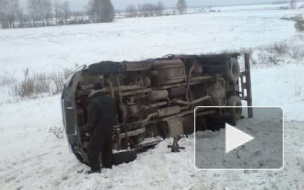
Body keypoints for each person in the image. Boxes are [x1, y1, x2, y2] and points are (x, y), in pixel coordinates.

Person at [84, 83, 117, 174]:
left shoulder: (94, 102)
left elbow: (92, 119)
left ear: (94, 90)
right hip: (109, 128)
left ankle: (95, 169)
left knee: (92, 150)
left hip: (98, 130)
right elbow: (115, 113)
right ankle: (107, 166)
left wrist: (87, 130)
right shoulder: (111, 99)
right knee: (107, 148)